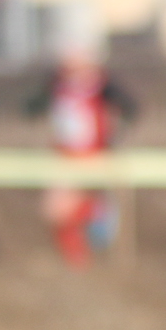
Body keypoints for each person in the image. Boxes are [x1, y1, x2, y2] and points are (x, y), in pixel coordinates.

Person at [27, 49, 139, 266]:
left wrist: (113, 139)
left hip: (93, 157)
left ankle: (81, 249)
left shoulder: (103, 85)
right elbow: (32, 109)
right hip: (65, 158)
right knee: (54, 211)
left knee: (57, 208)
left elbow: (130, 109)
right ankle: (76, 256)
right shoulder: (56, 85)